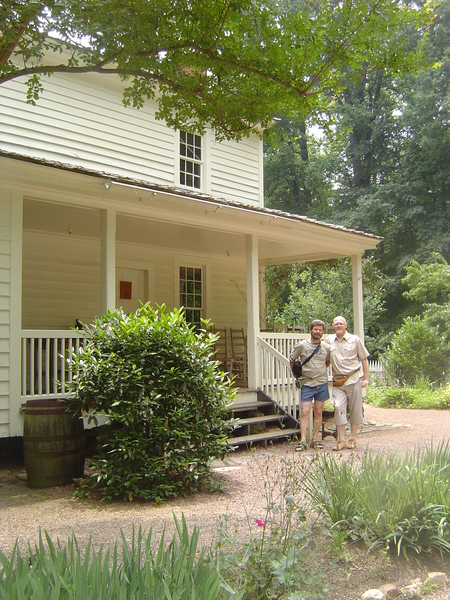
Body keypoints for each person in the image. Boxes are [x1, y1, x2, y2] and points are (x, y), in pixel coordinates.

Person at [327, 316, 369, 451]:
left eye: (341, 323)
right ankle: (341, 440)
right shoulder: (329, 341)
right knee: (339, 407)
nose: (338, 326)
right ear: (333, 326)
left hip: (354, 379)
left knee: (355, 409)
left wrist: (366, 379)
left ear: (346, 325)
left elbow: (364, 359)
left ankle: (353, 438)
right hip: (338, 381)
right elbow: (325, 361)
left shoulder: (355, 340)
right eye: (336, 324)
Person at [290, 319, 330, 451]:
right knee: (305, 412)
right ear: (310, 330)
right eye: (315, 329)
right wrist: (297, 375)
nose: (317, 332)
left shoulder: (326, 347)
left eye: (320, 330)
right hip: (307, 383)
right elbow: (292, 360)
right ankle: (302, 441)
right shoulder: (302, 345)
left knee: (318, 411)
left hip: (321, 383)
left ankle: (315, 440)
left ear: (322, 332)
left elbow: (327, 363)